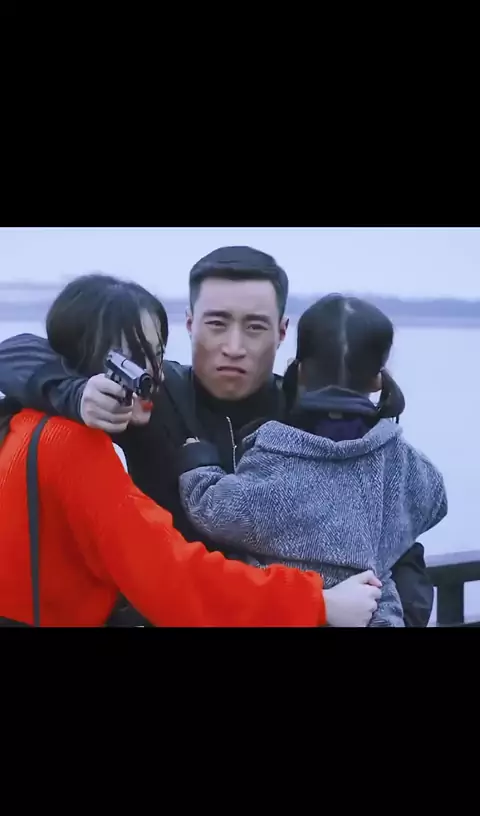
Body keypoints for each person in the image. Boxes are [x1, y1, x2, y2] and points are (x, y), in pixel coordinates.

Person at [0, 246, 433, 626]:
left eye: (255, 326)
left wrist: (399, 615)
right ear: (190, 323)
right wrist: (75, 394)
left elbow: (396, 541)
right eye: (217, 323)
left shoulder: (318, 422)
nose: (234, 346)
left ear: (282, 332)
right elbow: (23, 352)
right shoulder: (142, 397)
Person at [177, 294, 448, 627]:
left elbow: (218, 512)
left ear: (301, 371)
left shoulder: (275, 450)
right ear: (378, 379)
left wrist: (199, 463)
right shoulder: (404, 461)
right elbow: (434, 501)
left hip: (287, 613)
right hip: (375, 615)